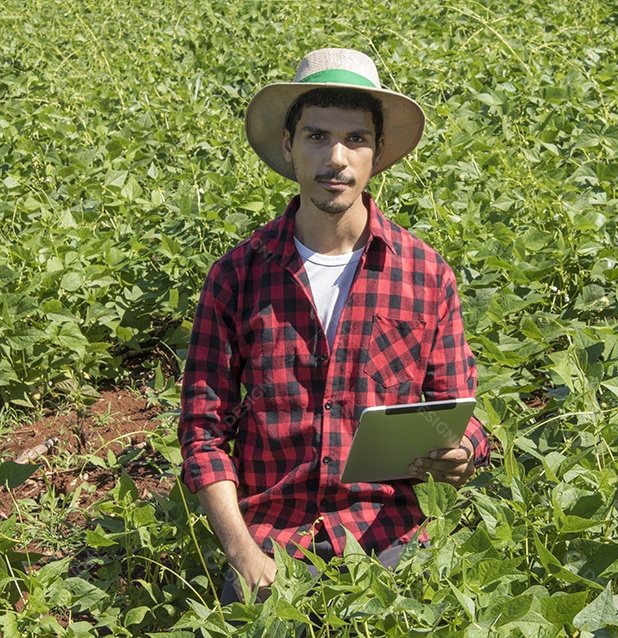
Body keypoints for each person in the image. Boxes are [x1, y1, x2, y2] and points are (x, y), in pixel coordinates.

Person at [177, 48, 490, 605]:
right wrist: (243, 554)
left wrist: (460, 451)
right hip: (272, 540)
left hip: (390, 536)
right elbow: (204, 434)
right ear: (288, 145)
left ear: (378, 153)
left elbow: (458, 411)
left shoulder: (425, 274)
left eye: (356, 139)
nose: (336, 158)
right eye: (318, 136)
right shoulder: (238, 276)